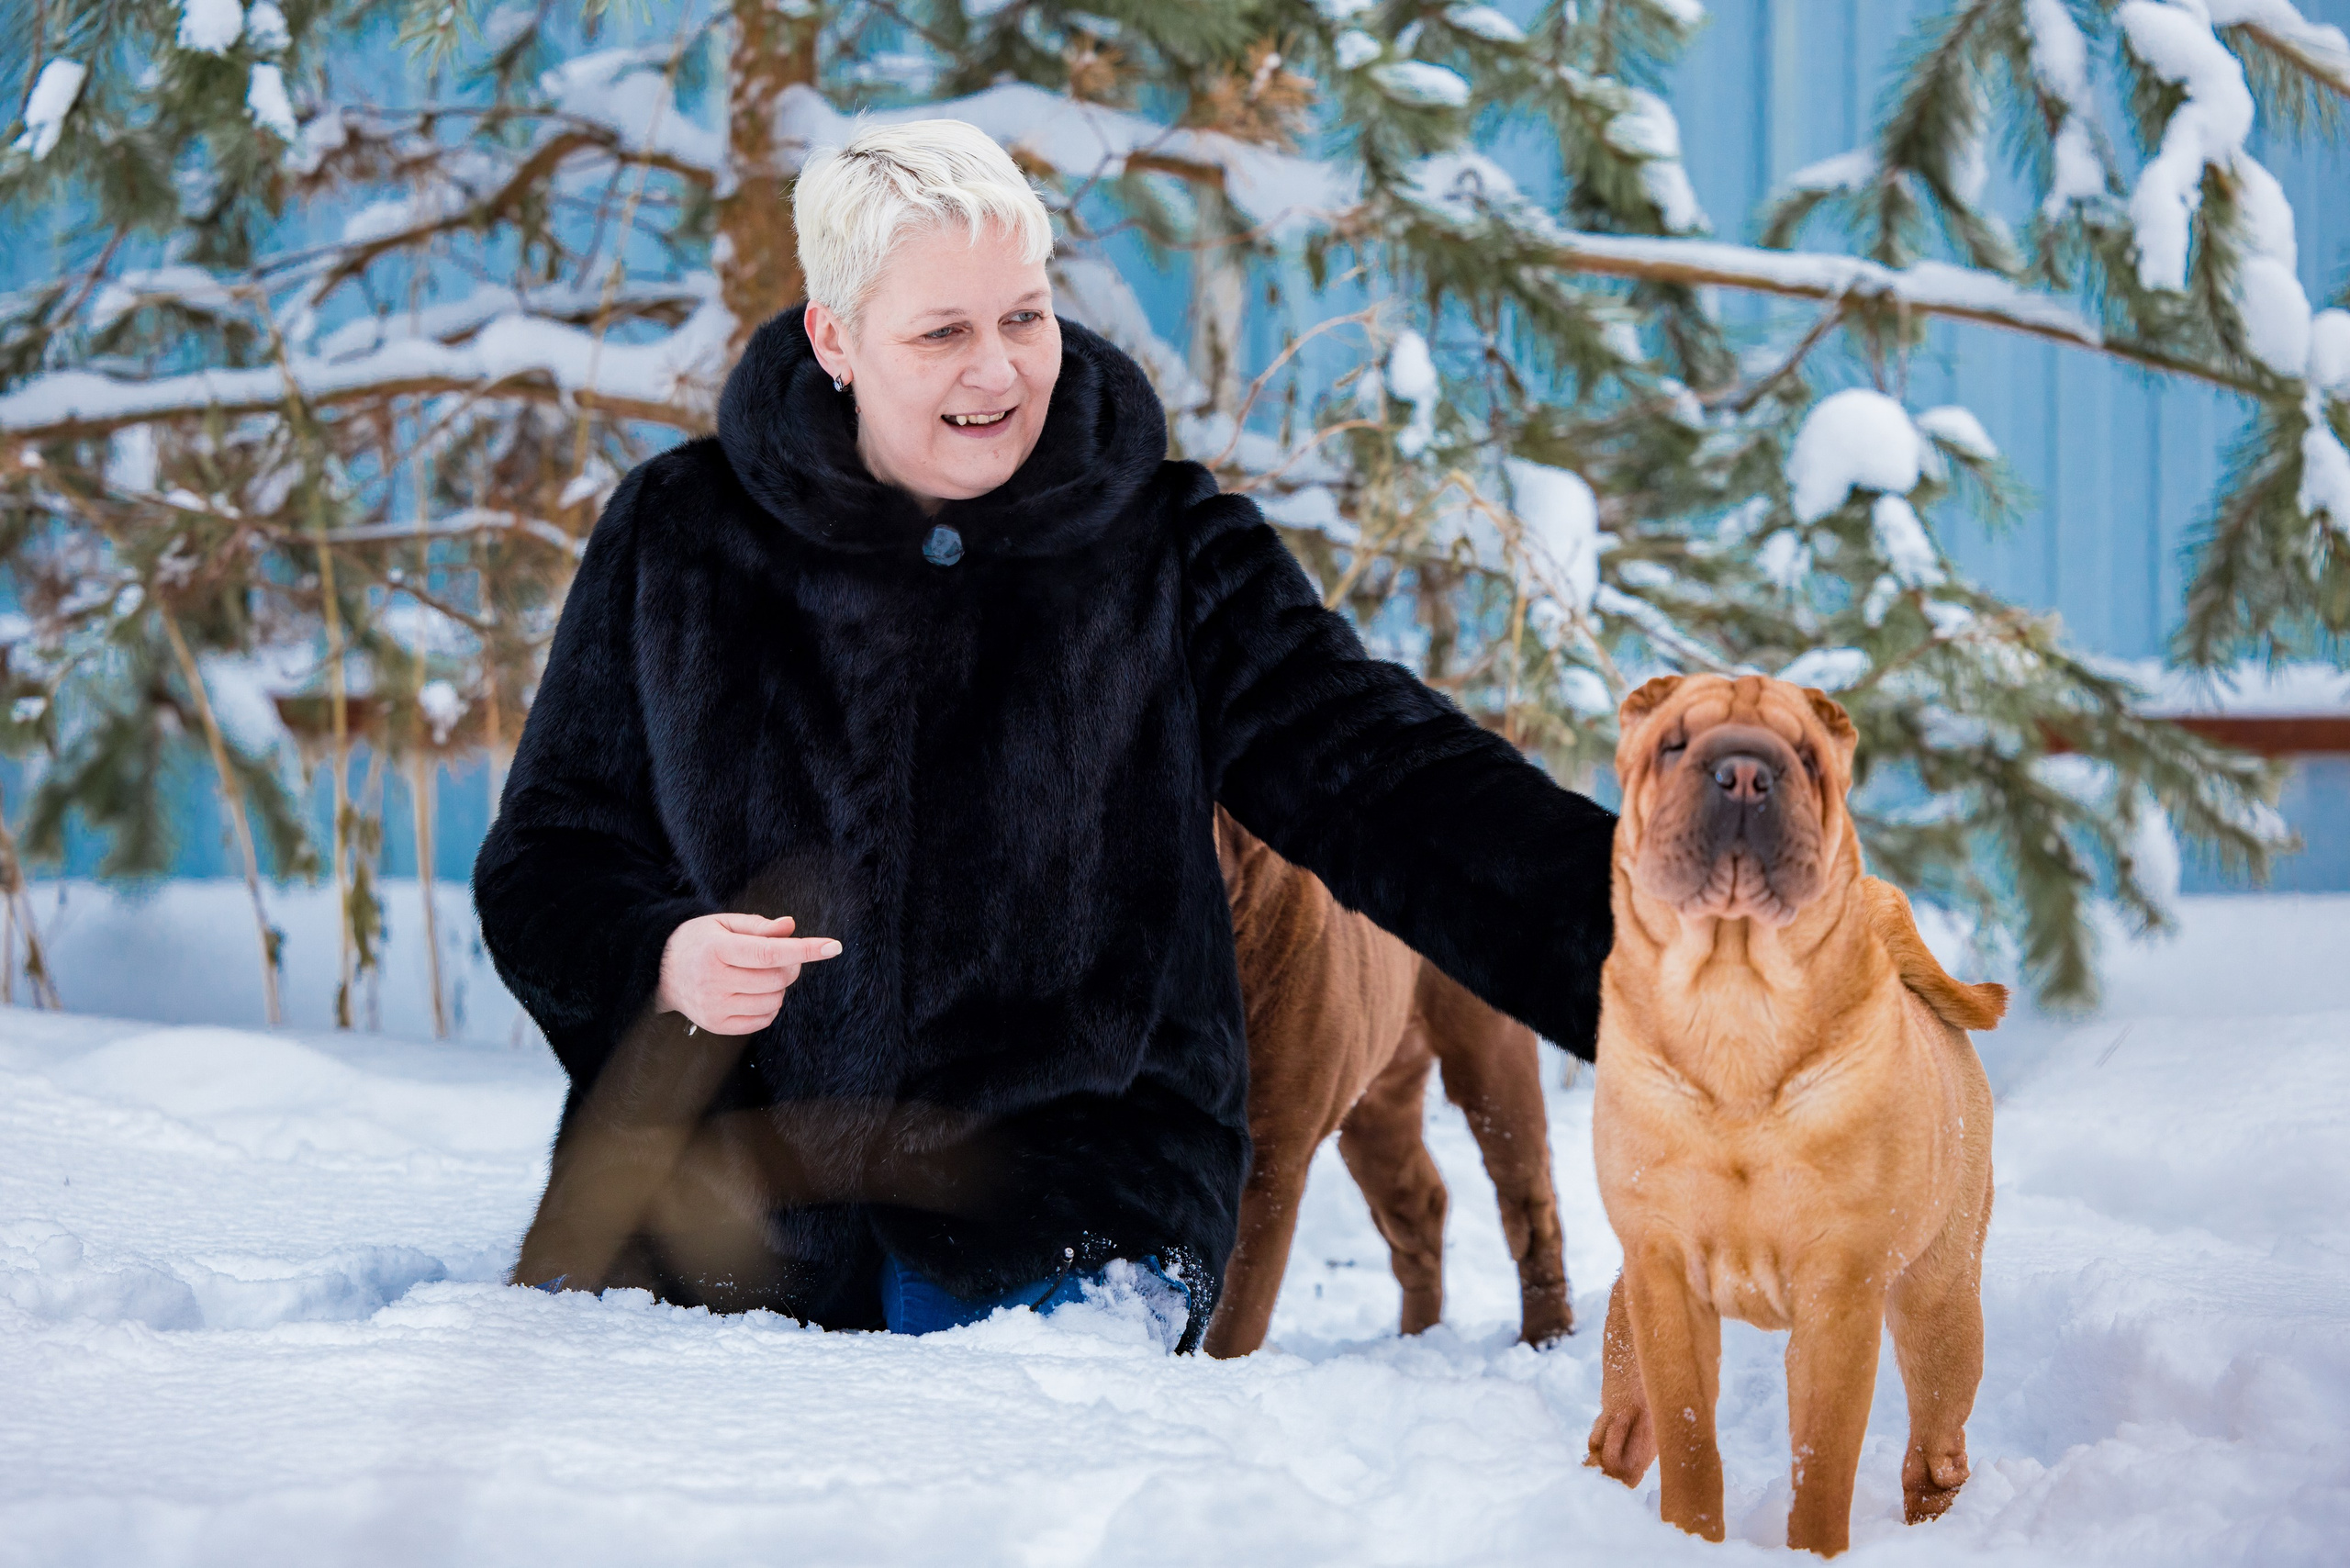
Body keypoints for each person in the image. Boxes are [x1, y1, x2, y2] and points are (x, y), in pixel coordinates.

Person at [474, 118, 1616, 1352]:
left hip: (1070, 1208)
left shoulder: (1164, 549)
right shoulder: (676, 539)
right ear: (835, 339)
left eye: (1025, 318)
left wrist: (1681, 952)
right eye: (942, 333)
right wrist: (658, 957)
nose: (999, 373)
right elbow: (548, 858)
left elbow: (1390, 780)